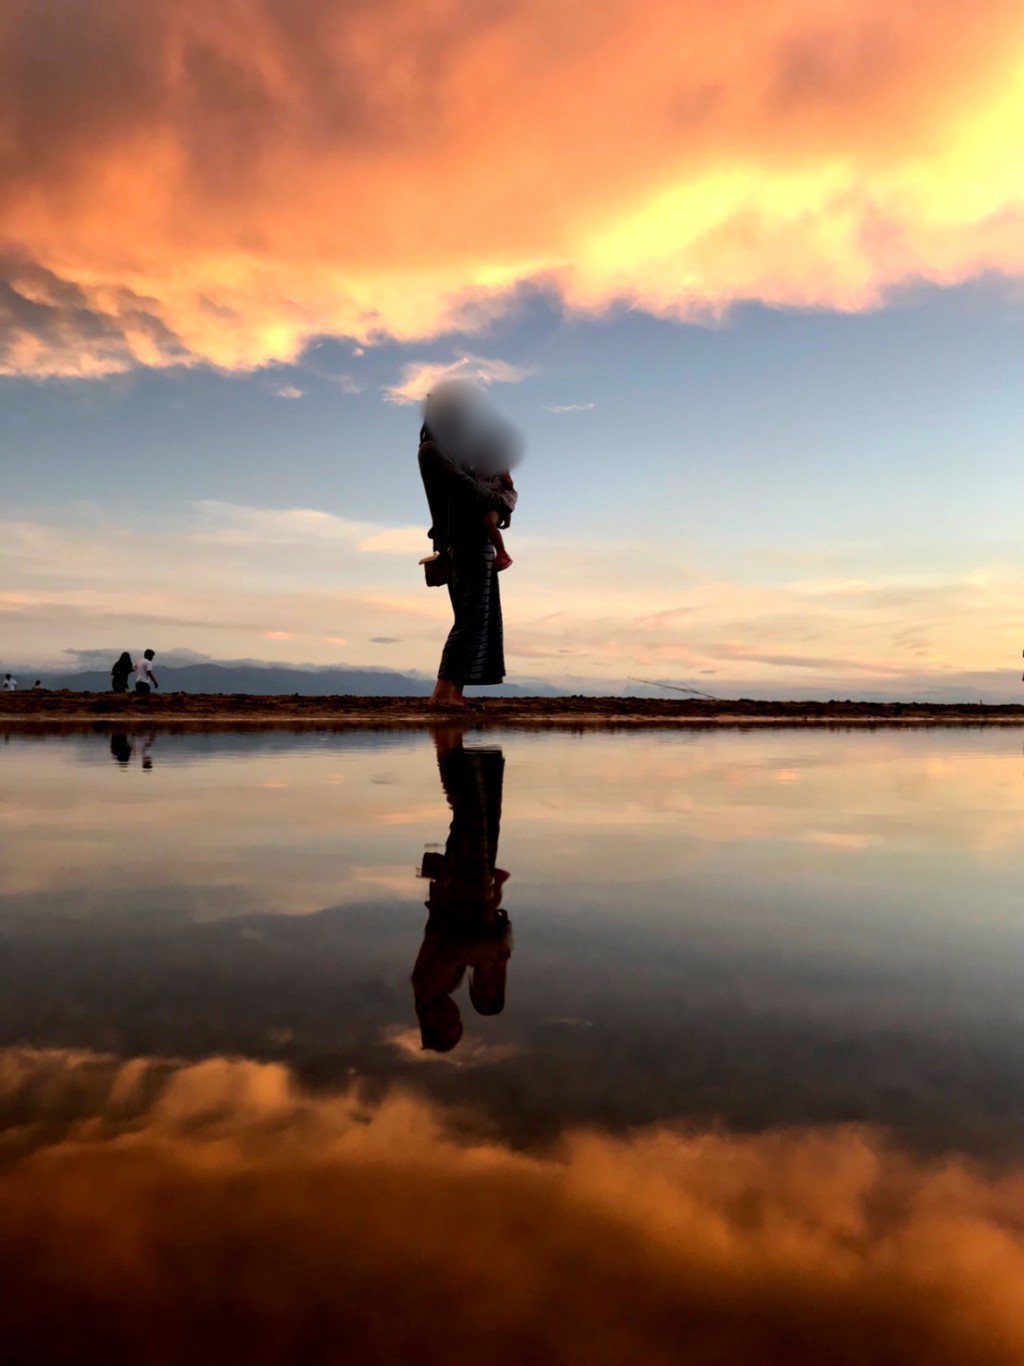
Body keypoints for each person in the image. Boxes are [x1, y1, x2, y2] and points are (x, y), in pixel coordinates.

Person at [412, 725, 512, 1052]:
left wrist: (486, 951)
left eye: (443, 1023)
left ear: (427, 1020)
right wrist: (496, 892)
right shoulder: (447, 985)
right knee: (483, 812)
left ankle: (447, 740)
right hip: (473, 887)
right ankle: (461, 746)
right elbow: (471, 936)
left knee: (471, 811)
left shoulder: (426, 985)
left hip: (461, 883)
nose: (451, 1016)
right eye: (456, 1022)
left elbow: (452, 947)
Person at [418, 383, 517, 709]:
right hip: (462, 546)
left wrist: (498, 507)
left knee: (478, 617)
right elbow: (465, 489)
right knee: (470, 618)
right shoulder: (432, 451)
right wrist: (501, 504)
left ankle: (452, 693)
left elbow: (477, 488)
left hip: (476, 542)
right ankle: (442, 694)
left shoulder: (454, 453)